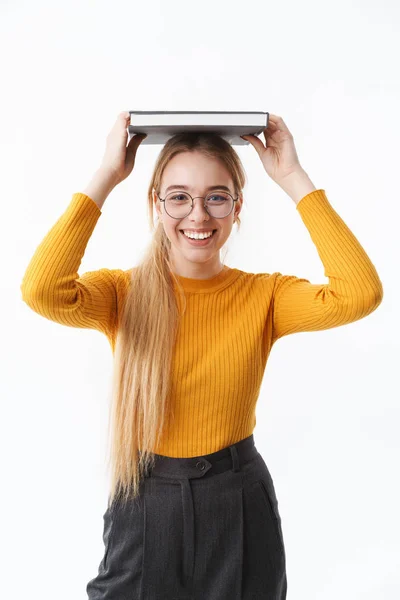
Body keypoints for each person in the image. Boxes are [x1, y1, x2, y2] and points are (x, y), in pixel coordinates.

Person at [20, 111, 384, 599]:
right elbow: (42, 290)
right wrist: (106, 176)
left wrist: (294, 179)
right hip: (145, 498)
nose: (198, 215)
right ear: (156, 204)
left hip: (238, 500)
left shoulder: (265, 296)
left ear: (237, 208)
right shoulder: (122, 294)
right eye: (179, 198)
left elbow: (359, 293)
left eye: (216, 197)